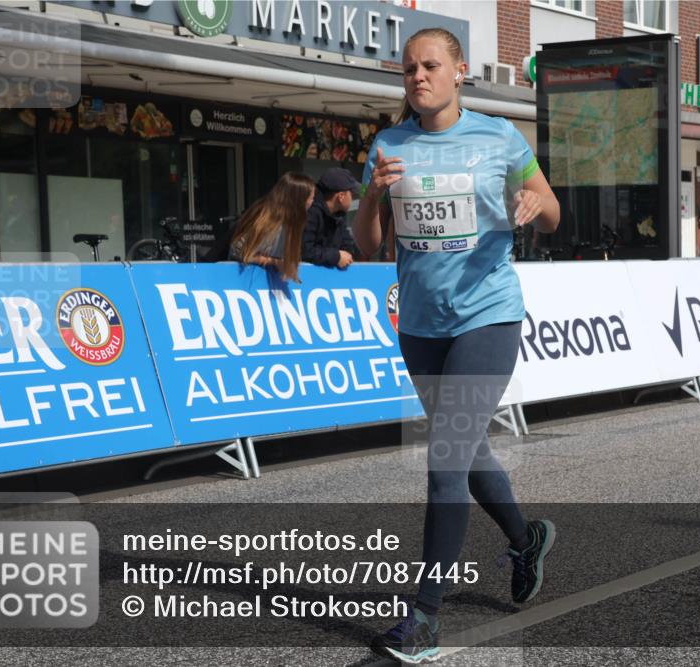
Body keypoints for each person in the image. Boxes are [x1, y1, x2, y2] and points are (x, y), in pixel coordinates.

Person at [353, 27, 561, 664]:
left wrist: (532, 200)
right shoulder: (389, 144)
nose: (419, 77)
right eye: (410, 68)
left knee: (444, 458)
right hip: (419, 324)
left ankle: (425, 617)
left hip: (488, 316)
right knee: (467, 454)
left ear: (459, 71)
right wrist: (372, 194)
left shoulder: (498, 136)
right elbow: (368, 244)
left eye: (431, 66)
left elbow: (553, 212)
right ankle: (527, 540)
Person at [227, 171, 315, 281]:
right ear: (299, 199)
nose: (312, 202)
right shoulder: (265, 220)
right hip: (244, 279)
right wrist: (272, 262)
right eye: (310, 198)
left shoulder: (293, 223)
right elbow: (239, 252)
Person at [302, 167, 361, 269]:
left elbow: (347, 243)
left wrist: (346, 255)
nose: (353, 198)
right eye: (352, 194)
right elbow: (305, 251)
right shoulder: (311, 213)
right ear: (341, 197)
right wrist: (336, 257)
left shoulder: (339, 216)